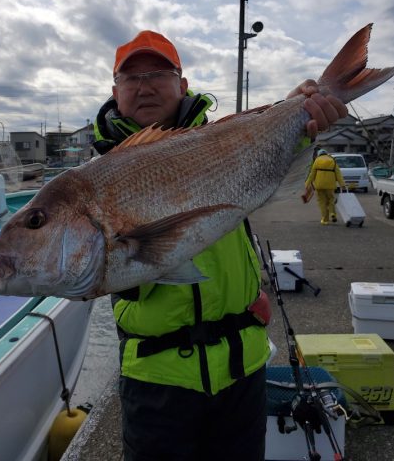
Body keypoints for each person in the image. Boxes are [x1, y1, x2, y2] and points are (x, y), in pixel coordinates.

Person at [93, 30, 347, 461]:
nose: (144, 85)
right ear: (115, 92)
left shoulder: (223, 141)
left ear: (183, 85)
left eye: (158, 73)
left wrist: (301, 118)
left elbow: (265, 154)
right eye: (130, 77)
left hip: (242, 368)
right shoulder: (97, 173)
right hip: (156, 378)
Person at [305, 148, 346, 225]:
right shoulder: (332, 160)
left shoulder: (317, 161)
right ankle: (332, 213)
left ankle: (325, 220)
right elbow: (338, 174)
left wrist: (307, 184)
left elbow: (312, 174)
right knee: (331, 199)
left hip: (319, 185)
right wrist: (342, 185)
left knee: (322, 202)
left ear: (319, 154)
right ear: (326, 154)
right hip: (330, 185)